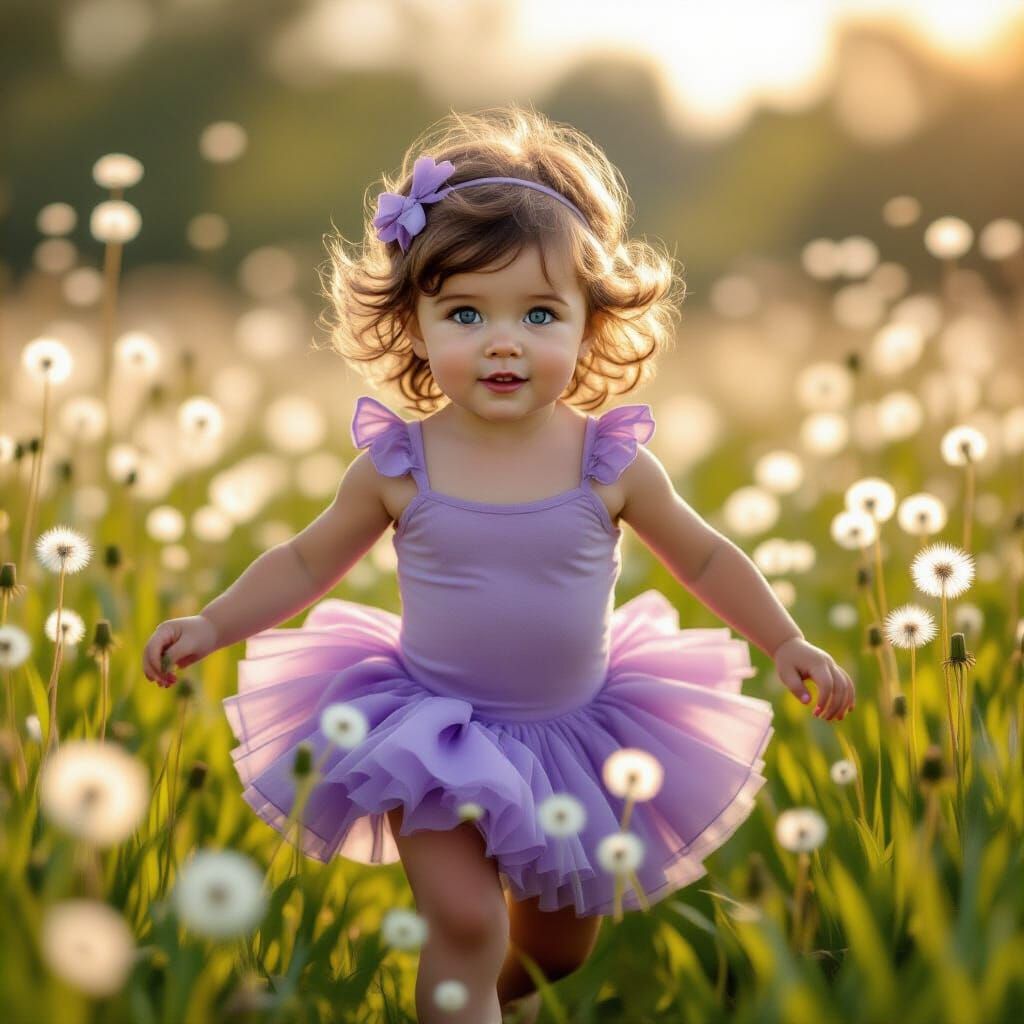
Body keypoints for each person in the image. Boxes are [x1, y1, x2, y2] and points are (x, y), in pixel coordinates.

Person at [142, 104, 855, 1024]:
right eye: (466, 312)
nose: (503, 340)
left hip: (577, 738)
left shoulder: (612, 463)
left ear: (593, 326)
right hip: (430, 734)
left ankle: (494, 1003)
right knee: (468, 923)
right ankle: (464, 996)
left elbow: (708, 560)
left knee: (555, 951)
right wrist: (212, 623)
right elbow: (305, 559)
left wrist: (785, 637)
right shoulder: (400, 464)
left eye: (541, 313)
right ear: (414, 324)